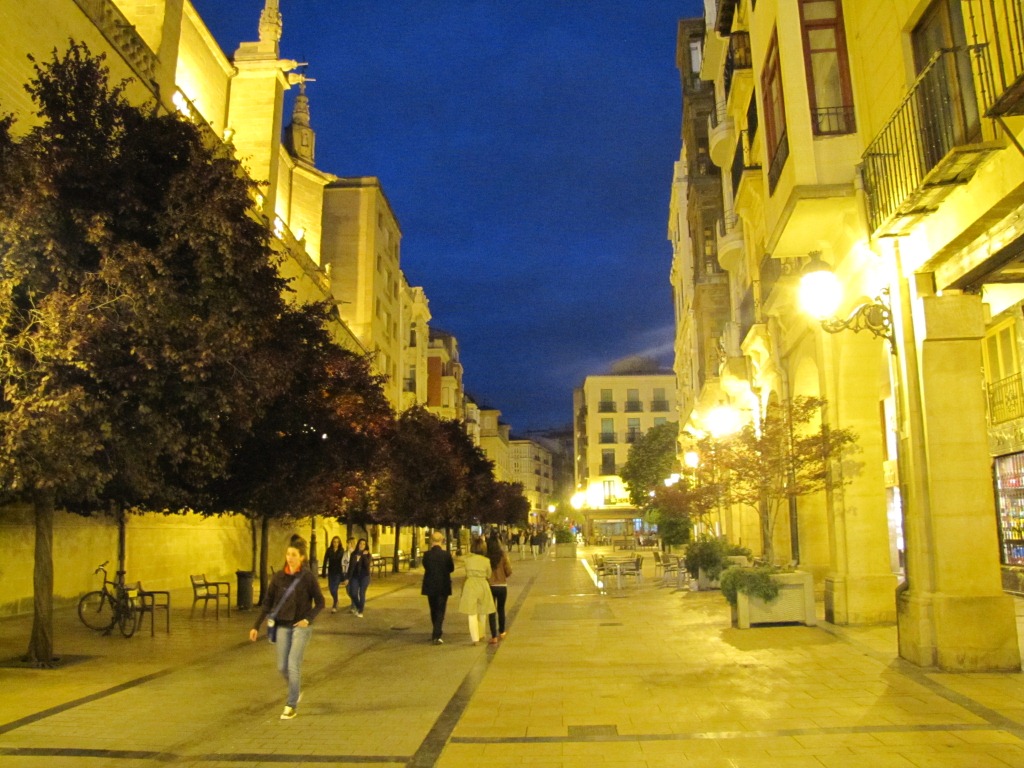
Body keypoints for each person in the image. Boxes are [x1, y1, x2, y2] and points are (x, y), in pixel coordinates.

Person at [249, 536, 324, 720]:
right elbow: (267, 603)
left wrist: (308, 619)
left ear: (301, 557)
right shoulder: (278, 577)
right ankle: (295, 690)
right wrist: (256, 626)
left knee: (293, 664)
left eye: (294, 555)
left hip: (301, 626)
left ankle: (291, 706)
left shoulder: (307, 577)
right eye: (288, 554)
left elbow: (320, 602)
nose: (290, 558)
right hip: (282, 625)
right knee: (282, 666)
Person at [458, 535, 495, 645]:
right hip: (483, 584)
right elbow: (489, 574)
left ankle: (475, 638)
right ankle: (481, 633)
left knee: (471, 613)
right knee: (483, 610)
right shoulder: (486, 560)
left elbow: (466, 572)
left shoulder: (467, 560)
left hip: (470, 585)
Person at [420, 530, 455, 645]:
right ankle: (437, 634)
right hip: (443, 585)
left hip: (430, 585)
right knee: (440, 610)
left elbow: (425, 566)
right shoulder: (446, 555)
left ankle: (436, 630)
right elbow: (451, 568)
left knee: (433, 609)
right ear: (442, 541)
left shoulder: (427, 555)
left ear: (431, 541)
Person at [487, 534, 512, 644]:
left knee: (491, 611)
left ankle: (494, 636)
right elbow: (509, 571)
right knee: (501, 609)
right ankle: (502, 631)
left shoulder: (486, 557)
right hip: (502, 586)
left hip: (490, 586)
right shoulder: (503, 555)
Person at [346, 537, 372, 617]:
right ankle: (359, 606)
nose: (362, 545)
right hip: (355, 577)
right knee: (353, 593)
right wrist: (347, 578)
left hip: (365, 577)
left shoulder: (368, 555)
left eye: (364, 544)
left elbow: (367, 566)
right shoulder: (353, 554)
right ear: (358, 544)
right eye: (360, 543)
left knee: (361, 593)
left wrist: (364, 556)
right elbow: (350, 567)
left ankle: (361, 612)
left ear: (366, 546)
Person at [321, 536, 345, 613]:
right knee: (331, 589)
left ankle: (334, 604)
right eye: (334, 542)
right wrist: (323, 572)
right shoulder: (329, 550)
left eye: (337, 542)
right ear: (332, 542)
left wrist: (344, 575)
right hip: (331, 572)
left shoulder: (341, 550)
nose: (335, 543)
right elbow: (325, 561)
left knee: (335, 589)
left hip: (338, 572)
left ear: (339, 543)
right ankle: (336, 600)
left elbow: (344, 562)